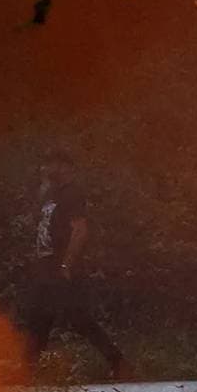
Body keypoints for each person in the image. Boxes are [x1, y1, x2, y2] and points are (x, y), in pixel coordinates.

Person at [20, 149, 129, 379]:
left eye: (51, 164)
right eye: (44, 164)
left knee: (77, 318)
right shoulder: (51, 195)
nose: (45, 169)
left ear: (65, 167)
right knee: (38, 316)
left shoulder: (72, 194)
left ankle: (118, 363)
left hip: (62, 267)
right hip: (46, 266)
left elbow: (80, 230)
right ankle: (27, 370)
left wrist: (66, 265)